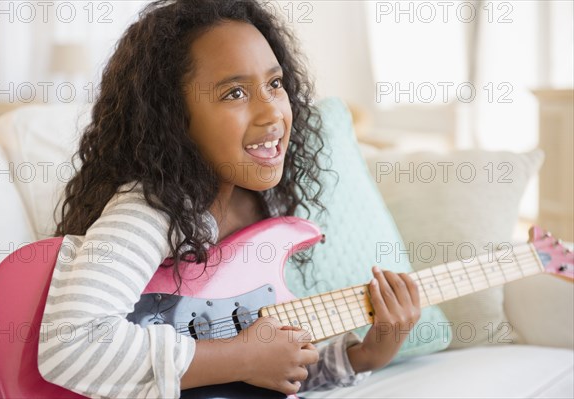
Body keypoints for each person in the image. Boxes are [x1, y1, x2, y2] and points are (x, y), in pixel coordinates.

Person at [38, 0, 421, 397]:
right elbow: (71, 345)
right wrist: (242, 357)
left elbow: (263, 371)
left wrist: (366, 355)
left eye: (274, 84)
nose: (272, 112)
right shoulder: (149, 211)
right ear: (172, 117)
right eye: (235, 92)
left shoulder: (264, 206)